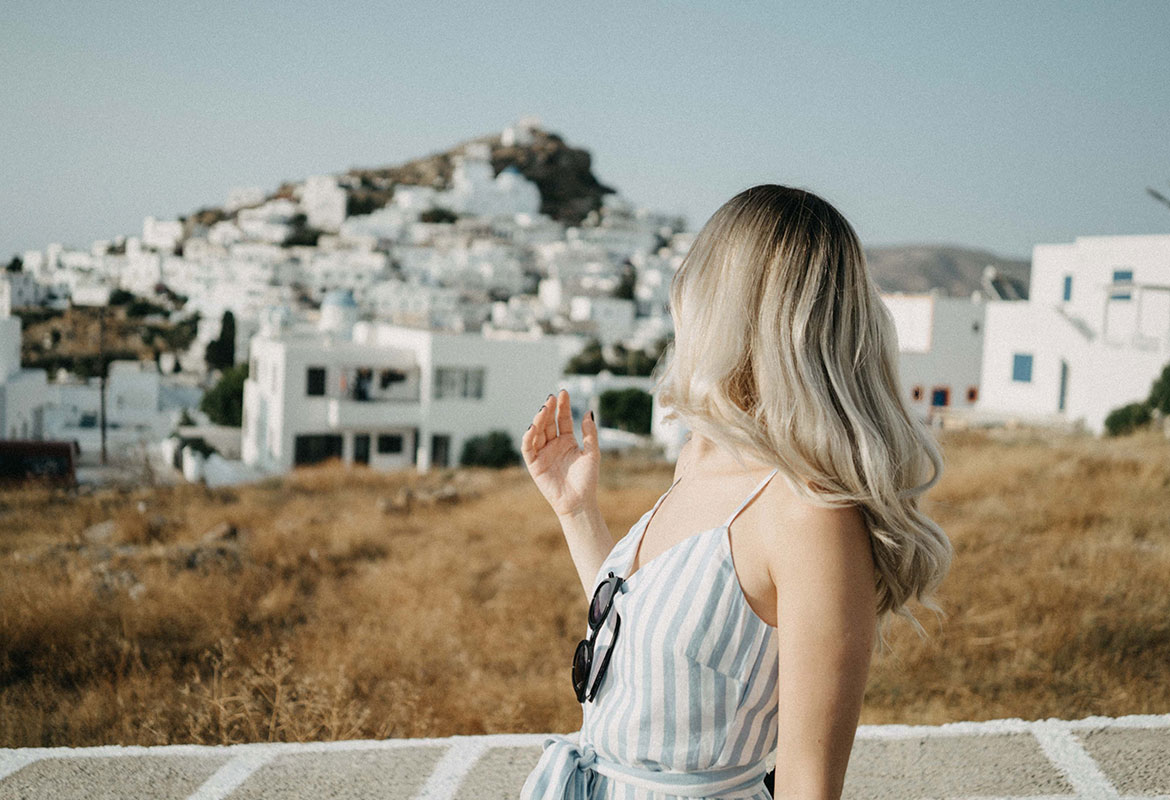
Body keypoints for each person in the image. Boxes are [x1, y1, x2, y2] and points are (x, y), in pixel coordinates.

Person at [519, 185, 952, 800]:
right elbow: (649, 644)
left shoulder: (810, 513)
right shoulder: (699, 454)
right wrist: (576, 511)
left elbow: (809, 785)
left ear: (723, 306)